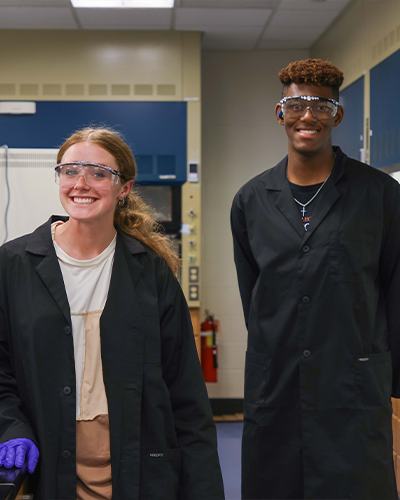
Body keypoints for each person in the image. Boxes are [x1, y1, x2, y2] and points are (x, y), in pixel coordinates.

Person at [0, 127, 225, 500]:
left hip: (140, 466)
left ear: (125, 188)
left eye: (99, 173)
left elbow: (186, 395)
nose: (81, 183)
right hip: (54, 465)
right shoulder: (13, 265)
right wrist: (11, 427)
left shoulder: (150, 272)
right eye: (70, 171)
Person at [231, 58, 400, 500]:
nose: (309, 116)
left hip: (353, 384)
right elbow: (254, 298)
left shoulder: (380, 195)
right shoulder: (250, 200)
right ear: (280, 112)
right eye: (297, 104)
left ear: (337, 115)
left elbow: (396, 288)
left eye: (322, 105)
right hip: (277, 384)